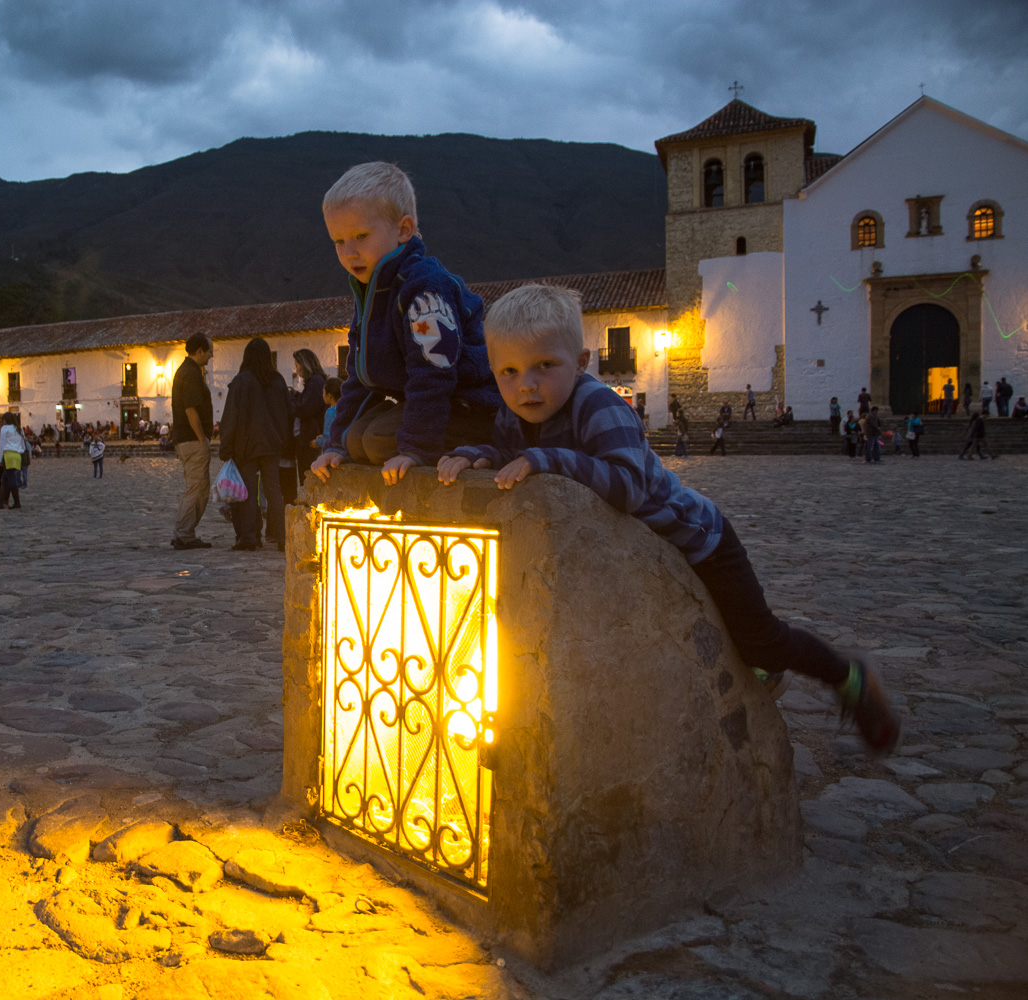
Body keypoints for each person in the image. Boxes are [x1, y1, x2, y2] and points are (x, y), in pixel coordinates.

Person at [436, 283, 899, 754]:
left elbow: (628, 486)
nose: (526, 384)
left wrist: (548, 459)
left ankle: (849, 675)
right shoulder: (515, 417)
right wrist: (476, 456)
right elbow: (513, 454)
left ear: (580, 362)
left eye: (545, 366)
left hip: (702, 542)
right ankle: (758, 669)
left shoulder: (600, 406)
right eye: (508, 372)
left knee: (761, 640)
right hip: (646, 552)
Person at [310, 162, 500, 487]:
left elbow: (433, 374)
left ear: (403, 229)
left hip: (468, 403)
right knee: (356, 441)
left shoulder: (425, 291)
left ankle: (476, 440)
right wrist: (336, 445)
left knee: (377, 442)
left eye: (360, 236)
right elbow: (358, 379)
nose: (349, 252)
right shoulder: (370, 292)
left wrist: (416, 450)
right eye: (338, 241)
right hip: (416, 403)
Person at [219, 338, 293, 551]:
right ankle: (282, 536)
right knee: (274, 491)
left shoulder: (242, 381)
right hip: (272, 445)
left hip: (247, 446)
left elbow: (231, 415)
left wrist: (226, 445)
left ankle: (250, 536)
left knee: (248, 491)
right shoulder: (277, 380)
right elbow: (289, 412)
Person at [170, 333, 215, 550]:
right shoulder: (190, 374)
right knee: (197, 488)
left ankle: (183, 531)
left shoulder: (186, 371)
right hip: (192, 440)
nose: (211, 355)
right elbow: (190, 408)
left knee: (196, 488)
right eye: (209, 351)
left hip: (187, 439)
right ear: (199, 351)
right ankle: (184, 534)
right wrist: (202, 438)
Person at [291, 348, 328, 476]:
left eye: (297, 365)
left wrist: (289, 400)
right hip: (312, 438)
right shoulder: (316, 382)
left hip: (311, 440)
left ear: (305, 364)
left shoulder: (315, 382)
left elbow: (305, 409)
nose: (296, 369)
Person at [0, 416, 26, 509]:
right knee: (5, 479)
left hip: (8, 455)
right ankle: (1, 502)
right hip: (17, 455)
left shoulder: (5, 428)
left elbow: (2, 444)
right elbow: (23, 444)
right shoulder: (19, 429)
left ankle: (17, 503)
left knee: (12, 480)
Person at [316, 376, 343, 452]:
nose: (322, 395)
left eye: (323, 392)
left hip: (331, 451)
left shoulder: (331, 412)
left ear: (329, 395)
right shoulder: (344, 409)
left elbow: (328, 439)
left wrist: (316, 442)